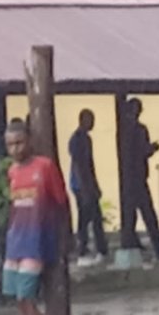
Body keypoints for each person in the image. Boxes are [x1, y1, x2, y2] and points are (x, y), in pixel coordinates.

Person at [3, 120, 68, 315]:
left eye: (19, 143)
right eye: (10, 145)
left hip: (37, 241)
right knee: (18, 301)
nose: (15, 149)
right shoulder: (12, 171)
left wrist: (64, 239)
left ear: (29, 140)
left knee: (27, 297)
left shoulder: (45, 167)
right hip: (15, 240)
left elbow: (61, 203)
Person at [124, 98, 159, 259]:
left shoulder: (125, 129)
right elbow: (141, 151)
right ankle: (158, 248)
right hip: (137, 177)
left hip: (132, 177)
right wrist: (152, 148)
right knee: (147, 214)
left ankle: (134, 243)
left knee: (134, 214)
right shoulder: (138, 129)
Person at [68, 109, 108, 265]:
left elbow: (90, 165)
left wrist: (95, 184)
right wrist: (85, 188)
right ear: (82, 120)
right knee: (87, 217)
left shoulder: (86, 138)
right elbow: (79, 164)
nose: (92, 123)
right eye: (90, 120)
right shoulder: (77, 139)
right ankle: (86, 248)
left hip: (88, 183)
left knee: (94, 216)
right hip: (81, 184)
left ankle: (96, 248)